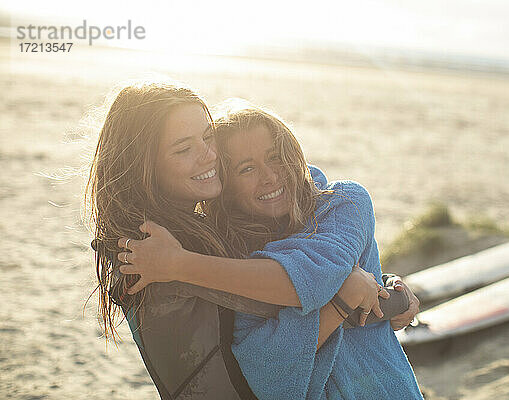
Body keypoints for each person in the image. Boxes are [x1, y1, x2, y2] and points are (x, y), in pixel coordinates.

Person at [86, 80, 418, 399]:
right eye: (184, 148)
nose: (209, 156)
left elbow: (311, 278)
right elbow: (296, 302)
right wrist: (351, 300)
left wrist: (385, 288)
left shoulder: (210, 239)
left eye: (207, 138)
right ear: (144, 163)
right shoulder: (158, 251)